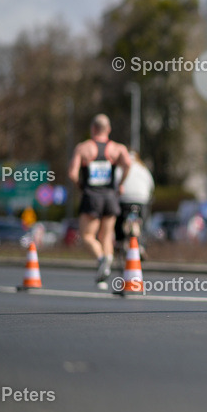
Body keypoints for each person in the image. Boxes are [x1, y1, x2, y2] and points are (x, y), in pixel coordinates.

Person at [68, 114, 132, 288]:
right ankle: (104, 273)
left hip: (91, 196)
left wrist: (81, 185)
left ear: (93, 129)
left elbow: (72, 174)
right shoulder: (117, 149)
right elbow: (128, 164)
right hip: (110, 197)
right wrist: (120, 183)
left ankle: (102, 258)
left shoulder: (84, 148)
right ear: (108, 129)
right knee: (106, 236)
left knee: (87, 236)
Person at [115, 151, 155, 260]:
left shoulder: (121, 167)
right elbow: (151, 184)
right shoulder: (143, 168)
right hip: (142, 199)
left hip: (124, 198)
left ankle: (119, 242)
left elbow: (115, 181)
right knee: (144, 222)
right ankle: (141, 245)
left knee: (119, 220)